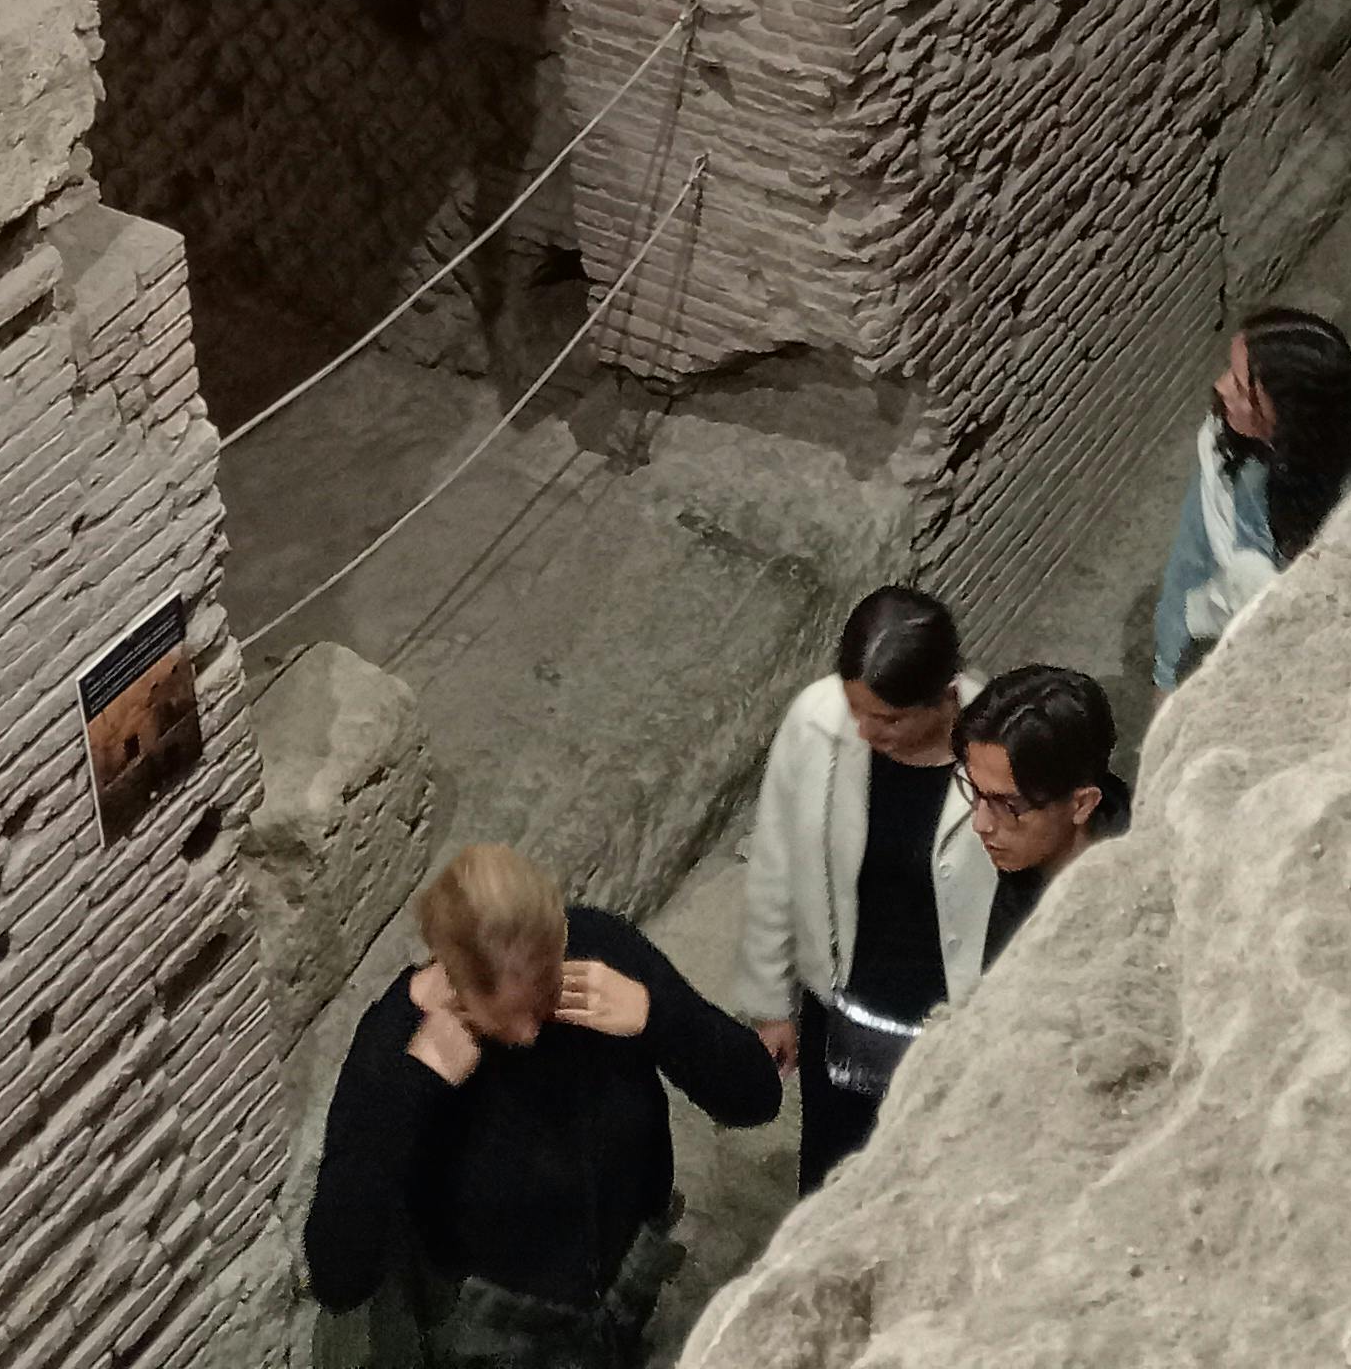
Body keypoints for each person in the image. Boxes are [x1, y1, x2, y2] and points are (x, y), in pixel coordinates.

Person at [306, 839, 780, 1365]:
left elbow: (757, 1097)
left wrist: (657, 1014)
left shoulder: (600, 953)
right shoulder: (393, 1050)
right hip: (499, 1328)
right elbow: (339, 1277)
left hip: (632, 1271)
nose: (529, 1034)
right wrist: (412, 1086)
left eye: (544, 997)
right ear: (451, 975)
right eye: (505, 1013)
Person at [737, 585, 993, 1191]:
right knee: (832, 1177)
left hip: (952, 1027)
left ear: (946, 695)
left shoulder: (1000, 751)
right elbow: (776, 863)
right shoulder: (817, 722)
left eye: (890, 719)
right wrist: (771, 1006)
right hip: (843, 1011)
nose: (866, 730)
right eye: (858, 710)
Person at [1151, 307, 1351, 693]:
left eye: (1242, 389)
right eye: (1230, 371)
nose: (1221, 387)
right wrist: (1168, 674)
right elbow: (1191, 568)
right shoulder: (1224, 445)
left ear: (1291, 419)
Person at [952, 665, 1132, 968]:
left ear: (1082, 805)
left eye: (1008, 805)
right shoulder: (1027, 866)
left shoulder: (1130, 917)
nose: (980, 824)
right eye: (976, 791)